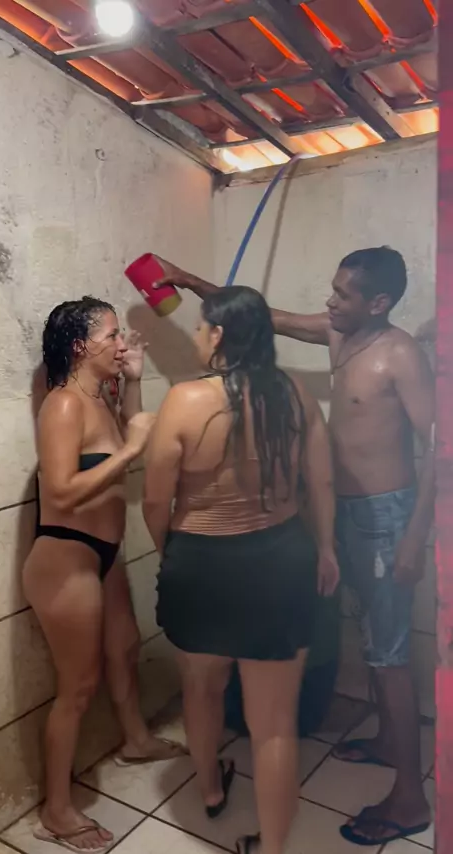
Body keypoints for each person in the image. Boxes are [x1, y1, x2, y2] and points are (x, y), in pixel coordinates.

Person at [155, 247, 435, 847]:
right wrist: (185, 278)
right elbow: (265, 316)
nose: (329, 302)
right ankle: (388, 741)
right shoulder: (340, 334)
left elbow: (442, 444)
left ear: (379, 303)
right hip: (343, 515)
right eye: (332, 290)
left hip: (387, 517)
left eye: (342, 294)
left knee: (388, 653)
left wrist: (417, 535)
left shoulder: (400, 355)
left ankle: (411, 797)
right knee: (371, 639)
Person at [142, 286, 339, 854]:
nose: (197, 336)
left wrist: (171, 552)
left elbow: (155, 501)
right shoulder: (295, 394)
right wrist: (327, 550)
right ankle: (272, 847)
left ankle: (210, 791)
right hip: (280, 563)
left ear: (220, 334)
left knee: (201, 691)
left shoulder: (183, 400)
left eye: (201, 327)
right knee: (274, 724)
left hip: (201, 566)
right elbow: (321, 482)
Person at [24, 296, 185, 853]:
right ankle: (55, 810)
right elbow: (61, 491)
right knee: (77, 687)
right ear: (79, 347)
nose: (122, 344)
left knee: (125, 646)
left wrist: (133, 382)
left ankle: (135, 738)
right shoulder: (64, 405)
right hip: (66, 556)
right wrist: (133, 447)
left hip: (104, 553)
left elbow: (125, 438)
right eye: (112, 335)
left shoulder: (100, 396)